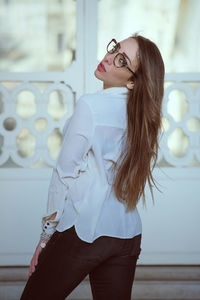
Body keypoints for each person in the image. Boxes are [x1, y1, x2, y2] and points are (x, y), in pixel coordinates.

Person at [20, 33, 165, 300]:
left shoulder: (91, 105)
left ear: (132, 81)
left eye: (122, 60)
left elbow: (64, 173)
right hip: (126, 234)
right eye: (114, 49)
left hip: (84, 231)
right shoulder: (145, 117)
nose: (109, 58)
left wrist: (45, 239)